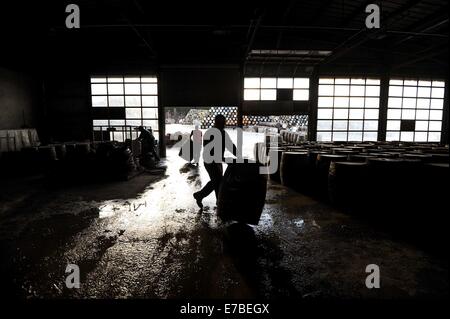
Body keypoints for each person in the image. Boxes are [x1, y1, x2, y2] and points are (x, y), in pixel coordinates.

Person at [193, 114, 237, 209]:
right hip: (210, 162)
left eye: (223, 123)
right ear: (216, 123)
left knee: (216, 181)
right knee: (219, 182)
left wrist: (239, 155)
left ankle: (200, 195)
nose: (223, 125)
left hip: (217, 162)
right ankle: (220, 203)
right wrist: (224, 159)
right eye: (221, 123)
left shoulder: (223, 133)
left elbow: (230, 145)